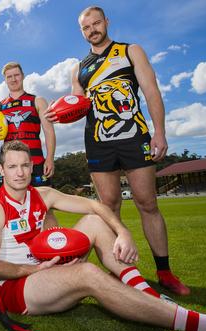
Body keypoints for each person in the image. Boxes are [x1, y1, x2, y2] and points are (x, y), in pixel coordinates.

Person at [0, 140, 206, 331]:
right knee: (89, 273)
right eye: (12, 167)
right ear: (1, 170)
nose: (19, 172)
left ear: (32, 167)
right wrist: (36, 270)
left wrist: (123, 231)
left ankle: (147, 294)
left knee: (93, 221)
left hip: (46, 270)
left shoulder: (43, 195)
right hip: (15, 288)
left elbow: (94, 205)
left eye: (24, 165)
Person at [45, 6, 189, 295]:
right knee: (108, 207)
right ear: (82, 32)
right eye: (87, 27)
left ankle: (165, 272)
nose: (93, 30)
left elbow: (151, 92)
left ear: (106, 22)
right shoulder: (79, 68)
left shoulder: (130, 51)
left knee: (147, 202)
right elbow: (77, 105)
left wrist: (159, 131)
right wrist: (58, 113)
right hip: (98, 141)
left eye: (96, 23)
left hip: (134, 136)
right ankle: (124, 272)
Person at [0, 62, 56, 187]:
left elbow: (49, 132)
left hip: (36, 162)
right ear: (5, 80)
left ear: (23, 76)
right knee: (13, 205)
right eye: (9, 77)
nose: (13, 79)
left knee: (43, 203)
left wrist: (50, 158)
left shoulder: (38, 101)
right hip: (11, 164)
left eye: (16, 75)